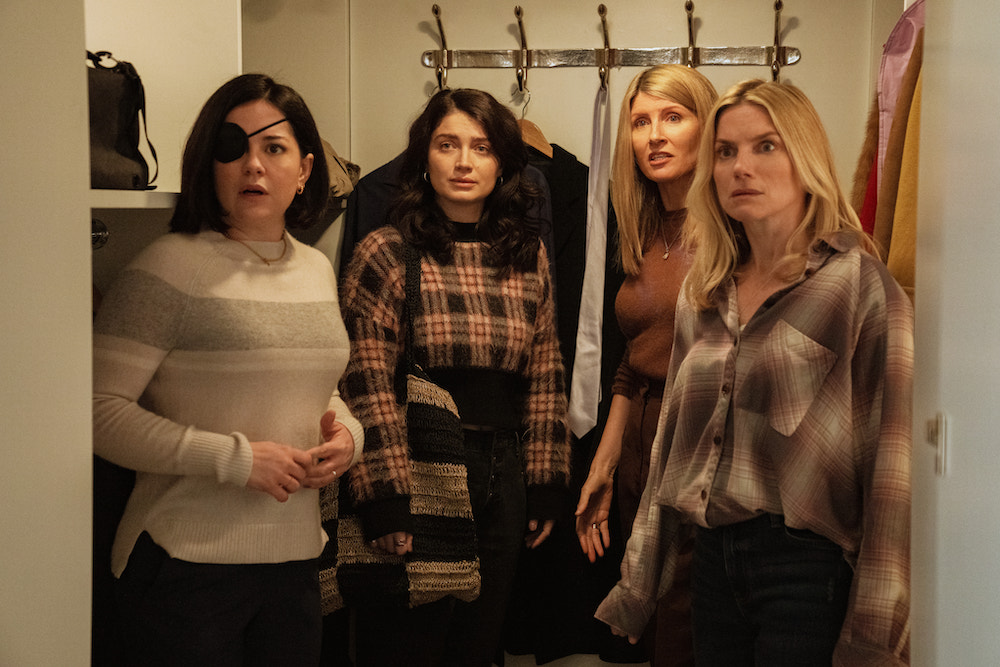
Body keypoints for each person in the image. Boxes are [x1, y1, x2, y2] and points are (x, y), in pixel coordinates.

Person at [595, 78, 913, 666]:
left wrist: (876, 632)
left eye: (766, 146)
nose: (742, 166)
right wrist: (640, 579)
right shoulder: (705, 292)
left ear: (805, 157)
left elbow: (891, 471)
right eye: (726, 151)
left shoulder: (856, 287)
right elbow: (671, 444)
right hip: (713, 560)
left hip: (806, 570)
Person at [92, 73, 364, 665]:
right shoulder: (167, 267)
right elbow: (96, 412)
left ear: (306, 168)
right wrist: (233, 459)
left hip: (293, 565)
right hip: (182, 566)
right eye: (232, 146)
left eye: (273, 147)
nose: (253, 165)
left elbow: (317, 389)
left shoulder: (317, 270)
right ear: (207, 164)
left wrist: (349, 437)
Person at [337, 87, 571, 666]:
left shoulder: (526, 254)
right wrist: (386, 500)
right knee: (407, 644)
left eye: (482, 147)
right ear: (424, 158)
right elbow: (367, 384)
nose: (464, 162)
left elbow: (544, 371)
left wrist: (543, 481)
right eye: (448, 145)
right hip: (420, 468)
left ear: (503, 164)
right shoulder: (386, 252)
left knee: (478, 643)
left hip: (504, 472)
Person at [573, 64, 717, 666]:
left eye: (672, 117)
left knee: (685, 622)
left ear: (706, 129)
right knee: (649, 627)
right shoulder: (641, 229)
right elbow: (633, 364)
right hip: (639, 446)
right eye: (640, 121)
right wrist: (603, 466)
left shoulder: (726, 231)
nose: (654, 135)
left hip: (698, 443)